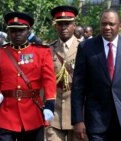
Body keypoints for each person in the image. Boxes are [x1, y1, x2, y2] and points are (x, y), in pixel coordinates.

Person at [71, 9, 121, 141]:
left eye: (111, 24)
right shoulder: (86, 47)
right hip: (96, 121)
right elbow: (78, 87)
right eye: (104, 24)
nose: (107, 27)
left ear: (119, 26)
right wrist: (78, 120)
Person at [0, 12, 56, 141]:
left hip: (32, 113)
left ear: (28, 31)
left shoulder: (41, 52)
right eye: (13, 31)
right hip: (7, 114)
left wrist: (50, 104)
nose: (17, 34)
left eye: (21, 31)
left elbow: (49, 80)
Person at [46, 5, 86, 141]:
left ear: (74, 25)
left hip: (79, 114)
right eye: (60, 24)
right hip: (55, 114)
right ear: (55, 26)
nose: (63, 27)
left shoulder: (85, 48)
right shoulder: (48, 50)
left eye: (67, 23)